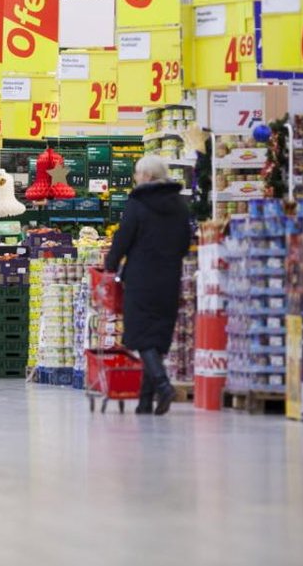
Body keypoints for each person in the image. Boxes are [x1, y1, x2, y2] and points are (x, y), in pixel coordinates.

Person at [104, 156, 191, 416]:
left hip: (141, 279)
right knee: (157, 338)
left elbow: (123, 237)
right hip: (169, 278)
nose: (135, 179)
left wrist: (111, 263)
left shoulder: (138, 203)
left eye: (138, 174)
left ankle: (163, 386)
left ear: (147, 176)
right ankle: (144, 403)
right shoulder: (179, 205)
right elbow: (185, 243)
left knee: (142, 336)